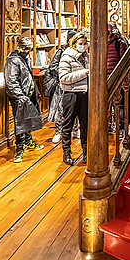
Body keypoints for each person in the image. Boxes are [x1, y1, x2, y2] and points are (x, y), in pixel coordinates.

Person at [4, 36, 44, 163]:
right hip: (20, 96)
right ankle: (19, 150)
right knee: (20, 122)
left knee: (28, 120)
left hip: (29, 93)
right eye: (25, 48)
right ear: (19, 47)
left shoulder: (25, 58)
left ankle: (28, 141)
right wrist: (20, 96)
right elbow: (11, 81)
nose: (27, 51)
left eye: (29, 48)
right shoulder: (13, 61)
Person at [59, 31, 90, 165]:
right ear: (74, 44)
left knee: (85, 125)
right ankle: (66, 153)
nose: (83, 46)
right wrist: (84, 73)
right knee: (68, 125)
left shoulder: (88, 56)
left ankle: (86, 153)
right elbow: (64, 78)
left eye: (84, 44)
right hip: (71, 94)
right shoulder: (67, 56)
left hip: (85, 94)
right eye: (80, 44)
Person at [46, 30, 77, 144]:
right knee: (60, 110)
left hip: (76, 84)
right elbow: (53, 66)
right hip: (62, 84)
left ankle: (74, 130)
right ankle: (58, 132)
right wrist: (64, 74)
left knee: (74, 109)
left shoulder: (80, 52)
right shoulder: (62, 51)